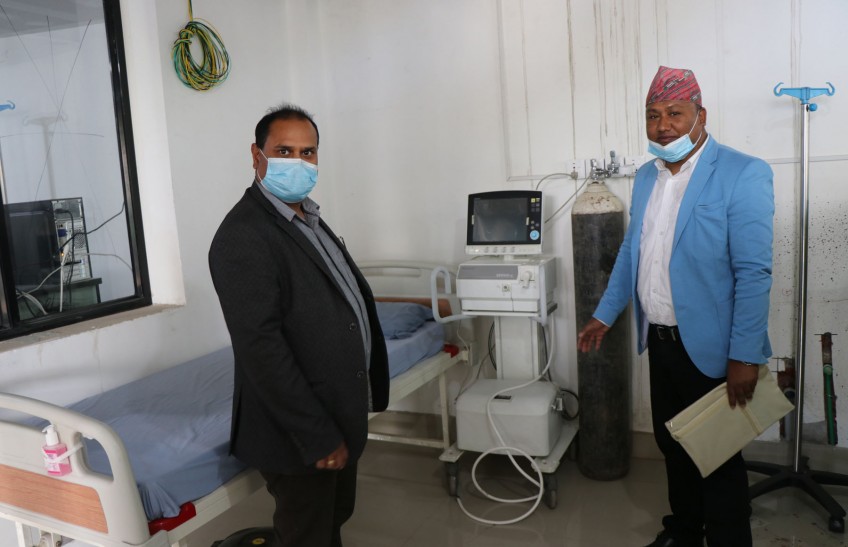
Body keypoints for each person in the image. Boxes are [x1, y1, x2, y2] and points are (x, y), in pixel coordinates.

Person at [577, 66, 774, 547]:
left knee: (718, 456)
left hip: (713, 348)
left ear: (701, 115)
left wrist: (744, 356)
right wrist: (605, 313)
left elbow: (754, 272)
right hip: (661, 339)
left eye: (674, 113)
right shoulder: (647, 176)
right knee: (673, 443)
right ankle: (684, 531)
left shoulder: (742, 172)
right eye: (653, 115)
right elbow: (633, 251)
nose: (662, 125)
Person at [209, 103, 389, 547]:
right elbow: (261, 349)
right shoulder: (243, 234)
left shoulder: (308, 218)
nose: (299, 163)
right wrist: (316, 434)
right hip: (299, 431)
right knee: (307, 534)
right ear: (257, 156)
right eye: (284, 151)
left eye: (308, 153)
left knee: (332, 521)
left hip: (335, 410)